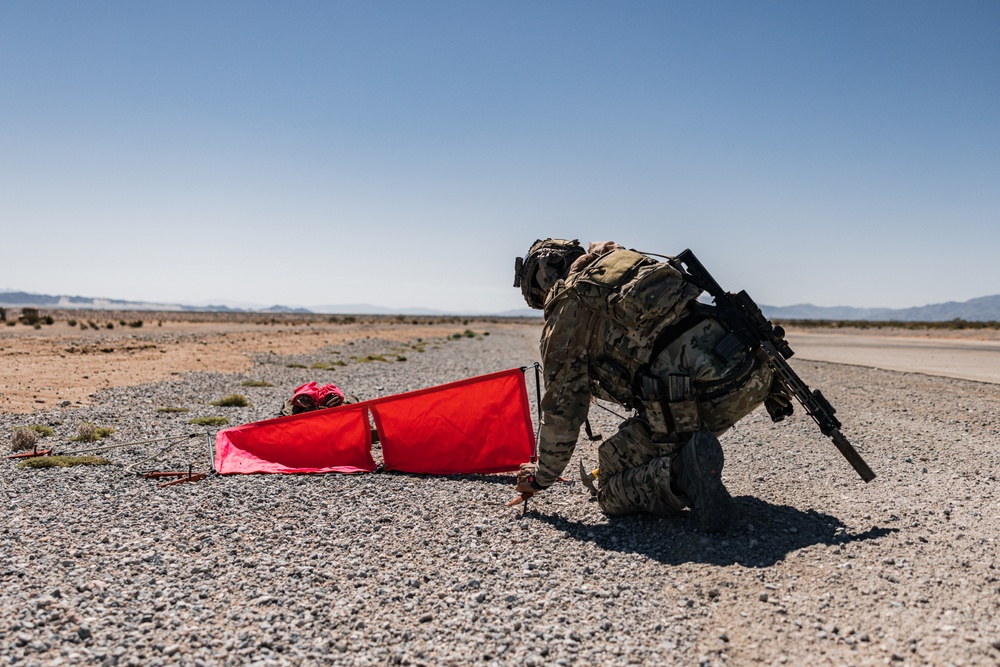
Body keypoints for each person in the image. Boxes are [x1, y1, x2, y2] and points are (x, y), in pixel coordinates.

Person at [512, 239, 789, 531]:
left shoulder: (568, 308)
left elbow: (562, 411)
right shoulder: (625, 265)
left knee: (608, 484)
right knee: (633, 429)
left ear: (542, 282)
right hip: (756, 376)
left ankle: (682, 474)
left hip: (698, 404)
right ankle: (688, 455)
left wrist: (539, 478)